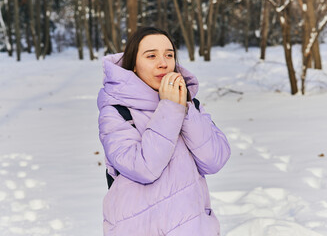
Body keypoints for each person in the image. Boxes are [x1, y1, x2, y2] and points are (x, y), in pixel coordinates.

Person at [97, 27, 231, 236]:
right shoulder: (117, 112)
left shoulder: (187, 102)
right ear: (133, 65)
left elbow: (214, 160)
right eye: (151, 56)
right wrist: (169, 108)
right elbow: (143, 168)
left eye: (169, 54)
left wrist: (184, 107)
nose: (163, 62)